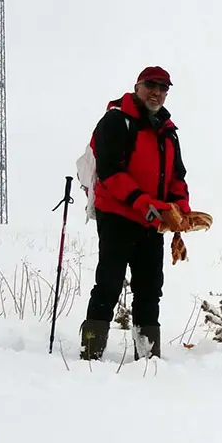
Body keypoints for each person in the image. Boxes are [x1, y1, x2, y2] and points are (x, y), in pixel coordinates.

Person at [79, 66, 191, 361]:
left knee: (150, 287)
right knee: (109, 283)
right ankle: (90, 350)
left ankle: (148, 355)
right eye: (151, 86)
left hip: (152, 222)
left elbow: (177, 177)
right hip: (117, 214)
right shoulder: (116, 120)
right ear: (137, 86)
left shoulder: (168, 131)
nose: (157, 92)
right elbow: (110, 170)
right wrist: (143, 202)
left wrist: (181, 209)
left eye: (163, 88)